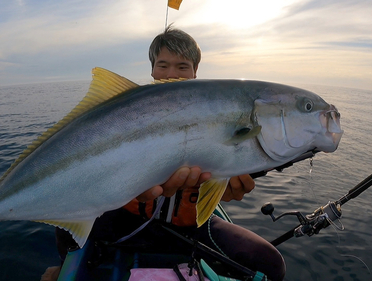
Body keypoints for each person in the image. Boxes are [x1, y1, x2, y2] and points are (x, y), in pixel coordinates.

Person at [42, 26, 285, 281]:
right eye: (163, 65)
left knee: (270, 262)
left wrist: (224, 181)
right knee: (66, 221)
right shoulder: (129, 116)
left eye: (182, 67)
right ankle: (62, 266)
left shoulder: (219, 119)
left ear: (195, 72)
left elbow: (227, 162)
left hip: (189, 228)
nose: (171, 74)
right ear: (152, 70)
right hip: (128, 219)